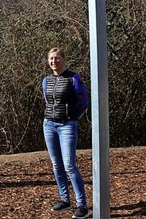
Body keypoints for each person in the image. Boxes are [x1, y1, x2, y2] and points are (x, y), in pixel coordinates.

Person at [42, 47, 89, 219]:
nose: (54, 61)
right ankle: (64, 199)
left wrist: (71, 117)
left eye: (57, 58)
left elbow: (83, 102)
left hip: (67, 126)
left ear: (64, 59)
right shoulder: (46, 80)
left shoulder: (74, 78)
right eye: (51, 59)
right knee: (56, 165)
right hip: (49, 125)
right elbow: (47, 101)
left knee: (69, 165)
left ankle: (82, 205)